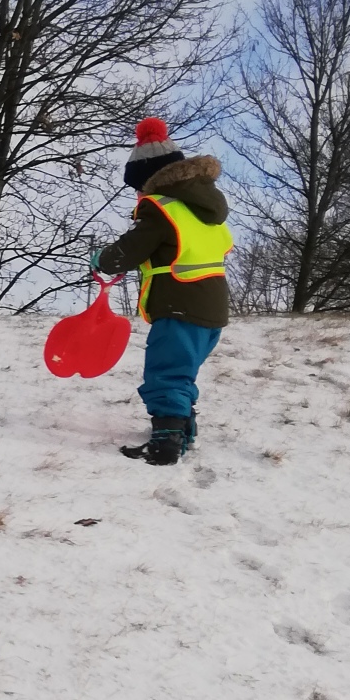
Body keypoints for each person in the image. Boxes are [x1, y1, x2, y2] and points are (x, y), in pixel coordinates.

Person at [93, 118, 233, 465]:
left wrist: (103, 259)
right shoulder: (203, 209)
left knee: (166, 371)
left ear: (149, 179)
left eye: (137, 187)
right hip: (211, 309)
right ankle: (183, 428)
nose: (137, 196)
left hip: (179, 304)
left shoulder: (160, 209)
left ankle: (166, 440)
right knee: (182, 370)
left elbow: (131, 249)